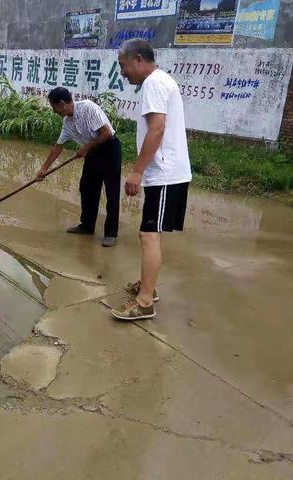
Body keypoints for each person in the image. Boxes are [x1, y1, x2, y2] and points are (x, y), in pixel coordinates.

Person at [110, 38, 192, 321]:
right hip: (167, 172)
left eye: (123, 66)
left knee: (148, 234)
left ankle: (145, 302)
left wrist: (137, 171)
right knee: (151, 234)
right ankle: (148, 287)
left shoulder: (154, 83)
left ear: (138, 61)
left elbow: (156, 130)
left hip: (165, 173)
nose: (122, 72)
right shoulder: (159, 81)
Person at [37, 87, 122, 247]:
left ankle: (111, 233)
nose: (54, 111)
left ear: (62, 104)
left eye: (54, 107)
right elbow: (58, 146)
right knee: (87, 188)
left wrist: (87, 146)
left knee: (111, 192)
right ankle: (87, 226)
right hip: (92, 151)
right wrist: (44, 169)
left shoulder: (87, 108)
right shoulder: (67, 122)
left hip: (109, 149)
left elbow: (107, 133)